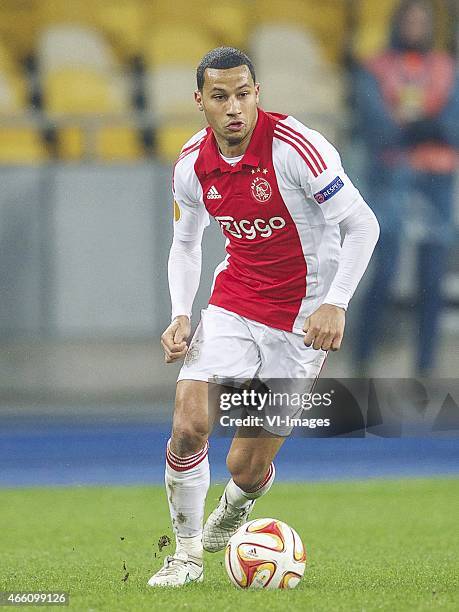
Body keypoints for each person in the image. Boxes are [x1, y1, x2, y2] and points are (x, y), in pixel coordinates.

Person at [148, 47, 379, 587]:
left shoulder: (296, 148)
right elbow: (185, 244)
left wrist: (335, 301)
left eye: (244, 94)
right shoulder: (191, 163)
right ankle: (184, 556)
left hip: (302, 323)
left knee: (245, 469)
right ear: (199, 100)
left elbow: (362, 225)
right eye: (221, 96)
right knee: (190, 424)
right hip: (235, 302)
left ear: (257, 94)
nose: (235, 107)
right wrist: (182, 313)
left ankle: (230, 513)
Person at [354, 0, 459, 376]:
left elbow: (453, 121)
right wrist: (419, 130)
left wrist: (419, 128)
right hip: (391, 180)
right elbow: (376, 124)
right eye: (410, 20)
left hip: (437, 180)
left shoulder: (447, 68)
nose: (416, 27)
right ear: (398, 23)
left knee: (431, 278)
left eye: (423, 21)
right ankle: (363, 360)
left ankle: (425, 369)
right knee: (384, 270)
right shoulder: (375, 67)